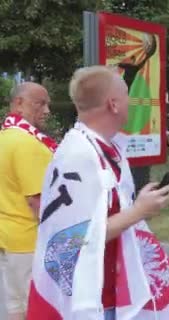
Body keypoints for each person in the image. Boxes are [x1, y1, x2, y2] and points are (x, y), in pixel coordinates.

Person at [27, 66, 169, 320]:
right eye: (126, 95)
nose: (131, 102)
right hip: (93, 300)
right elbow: (74, 238)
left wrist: (140, 205)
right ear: (114, 104)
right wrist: (140, 211)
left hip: (112, 293)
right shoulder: (79, 155)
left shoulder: (104, 147)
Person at [0, 82, 55, 320]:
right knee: (36, 310)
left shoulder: (5, 137)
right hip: (31, 243)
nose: (46, 111)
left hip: (9, 240)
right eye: (39, 103)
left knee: (16, 306)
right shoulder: (28, 144)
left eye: (48, 104)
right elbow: (40, 203)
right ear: (18, 103)